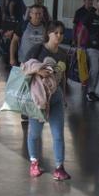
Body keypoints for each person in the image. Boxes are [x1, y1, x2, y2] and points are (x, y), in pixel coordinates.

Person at [23, 21, 70, 180]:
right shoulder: (37, 50)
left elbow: (64, 77)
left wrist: (64, 97)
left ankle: (59, 167)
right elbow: (23, 67)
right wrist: (38, 70)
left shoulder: (63, 54)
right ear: (48, 33)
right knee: (35, 133)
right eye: (55, 32)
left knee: (58, 133)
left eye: (61, 33)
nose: (59, 36)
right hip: (39, 98)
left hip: (56, 97)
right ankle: (34, 162)